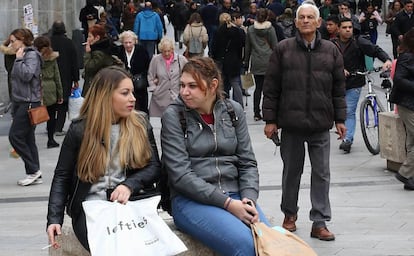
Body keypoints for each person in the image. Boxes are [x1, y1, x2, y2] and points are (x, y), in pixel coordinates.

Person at [161, 57, 270, 255]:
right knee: (247, 245)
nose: (184, 92)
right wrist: (228, 204)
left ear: (213, 86)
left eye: (192, 86)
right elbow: (181, 176)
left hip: (237, 194)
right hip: (190, 201)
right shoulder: (174, 116)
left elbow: (247, 163)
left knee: (268, 242)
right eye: (182, 85)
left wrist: (249, 199)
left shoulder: (232, 111)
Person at [46, 66, 161, 251]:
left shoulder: (140, 123)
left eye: (132, 92)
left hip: (131, 204)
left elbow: (154, 167)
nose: (133, 98)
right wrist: (54, 218)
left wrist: (129, 185)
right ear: (105, 96)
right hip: (90, 209)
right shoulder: (80, 129)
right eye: (125, 93)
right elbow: (62, 175)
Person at [262, 3, 347, 241]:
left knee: (321, 173)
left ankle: (319, 221)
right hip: (292, 124)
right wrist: (271, 120)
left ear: (318, 22)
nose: (306, 21)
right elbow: (271, 87)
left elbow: (338, 89)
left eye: (311, 17)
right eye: (302, 17)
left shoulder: (331, 50)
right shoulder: (283, 49)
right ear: (296, 22)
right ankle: (289, 215)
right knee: (291, 172)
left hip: (321, 124)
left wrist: (340, 119)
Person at [332, 18, 392, 153]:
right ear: (338, 29)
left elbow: (375, 50)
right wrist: (337, 69)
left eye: (350, 27)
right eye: (344, 27)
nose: (348, 30)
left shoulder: (359, 42)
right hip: (335, 83)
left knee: (349, 110)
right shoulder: (331, 44)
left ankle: (347, 139)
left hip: (354, 82)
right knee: (336, 110)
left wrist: (386, 60)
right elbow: (324, 61)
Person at [8, 28, 43, 186]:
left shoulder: (31, 55)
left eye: (13, 40)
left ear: (22, 40)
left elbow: (27, 75)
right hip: (20, 101)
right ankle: (35, 172)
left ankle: (33, 170)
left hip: (29, 101)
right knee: (28, 138)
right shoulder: (22, 55)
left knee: (15, 136)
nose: (11, 44)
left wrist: (19, 60)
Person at [390, 28, 414, 191]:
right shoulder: (406, 57)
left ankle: (410, 178)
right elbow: (398, 79)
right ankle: (405, 173)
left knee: (412, 141)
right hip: (408, 104)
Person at [244, 8, 278, 121]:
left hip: (256, 60)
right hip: (269, 60)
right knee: (269, 89)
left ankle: (256, 112)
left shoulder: (251, 30)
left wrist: (246, 62)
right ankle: (267, 111)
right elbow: (275, 46)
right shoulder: (270, 29)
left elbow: (248, 48)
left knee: (258, 88)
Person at [49, 21, 80, 136]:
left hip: (51, 76)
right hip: (66, 76)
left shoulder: (48, 42)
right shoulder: (69, 43)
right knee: (63, 102)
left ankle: (50, 126)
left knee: (51, 103)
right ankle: (58, 127)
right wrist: (75, 78)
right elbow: (74, 62)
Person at [33, 36, 64, 149]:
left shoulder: (34, 58)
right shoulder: (52, 58)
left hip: (38, 88)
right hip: (51, 88)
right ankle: (51, 140)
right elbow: (57, 77)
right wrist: (60, 94)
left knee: (34, 115)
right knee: (51, 116)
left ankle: (30, 140)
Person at [147, 37, 188, 117]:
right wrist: (154, 89)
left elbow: (188, 74)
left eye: (169, 51)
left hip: (176, 95)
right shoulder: (156, 59)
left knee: (175, 120)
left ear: (172, 49)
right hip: (160, 96)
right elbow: (150, 75)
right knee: (163, 121)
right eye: (164, 51)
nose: (166, 53)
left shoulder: (181, 59)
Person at [211, 12, 245, 107]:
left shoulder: (218, 32)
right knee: (235, 83)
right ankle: (239, 105)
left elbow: (214, 47)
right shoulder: (238, 31)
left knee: (223, 84)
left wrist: (214, 58)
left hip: (222, 61)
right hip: (234, 61)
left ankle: (224, 104)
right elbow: (242, 45)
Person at [116, 30, 151, 113]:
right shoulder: (118, 51)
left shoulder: (142, 51)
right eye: (125, 43)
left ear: (134, 41)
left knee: (141, 107)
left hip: (139, 85)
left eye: (130, 42)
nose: (128, 45)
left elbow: (147, 66)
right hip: (123, 83)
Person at [82, 24, 114, 97]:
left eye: (90, 36)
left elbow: (89, 67)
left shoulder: (99, 53)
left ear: (97, 38)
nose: (88, 39)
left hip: (97, 87)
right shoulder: (98, 49)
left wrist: (87, 53)